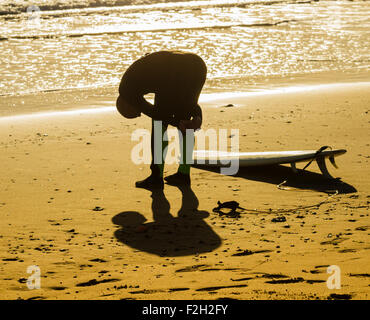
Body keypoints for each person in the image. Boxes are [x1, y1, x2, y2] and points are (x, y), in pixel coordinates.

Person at [116, 50, 207, 189]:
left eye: (136, 112)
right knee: (187, 117)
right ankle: (183, 174)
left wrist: (177, 122)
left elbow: (155, 113)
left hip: (172, 72)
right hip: (197, 65)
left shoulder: (127, 90)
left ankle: (156, 177)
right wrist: (198, 117)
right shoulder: (133, 81)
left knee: (159, 124)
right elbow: (190, 104)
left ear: (128, 104)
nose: (140, 113)